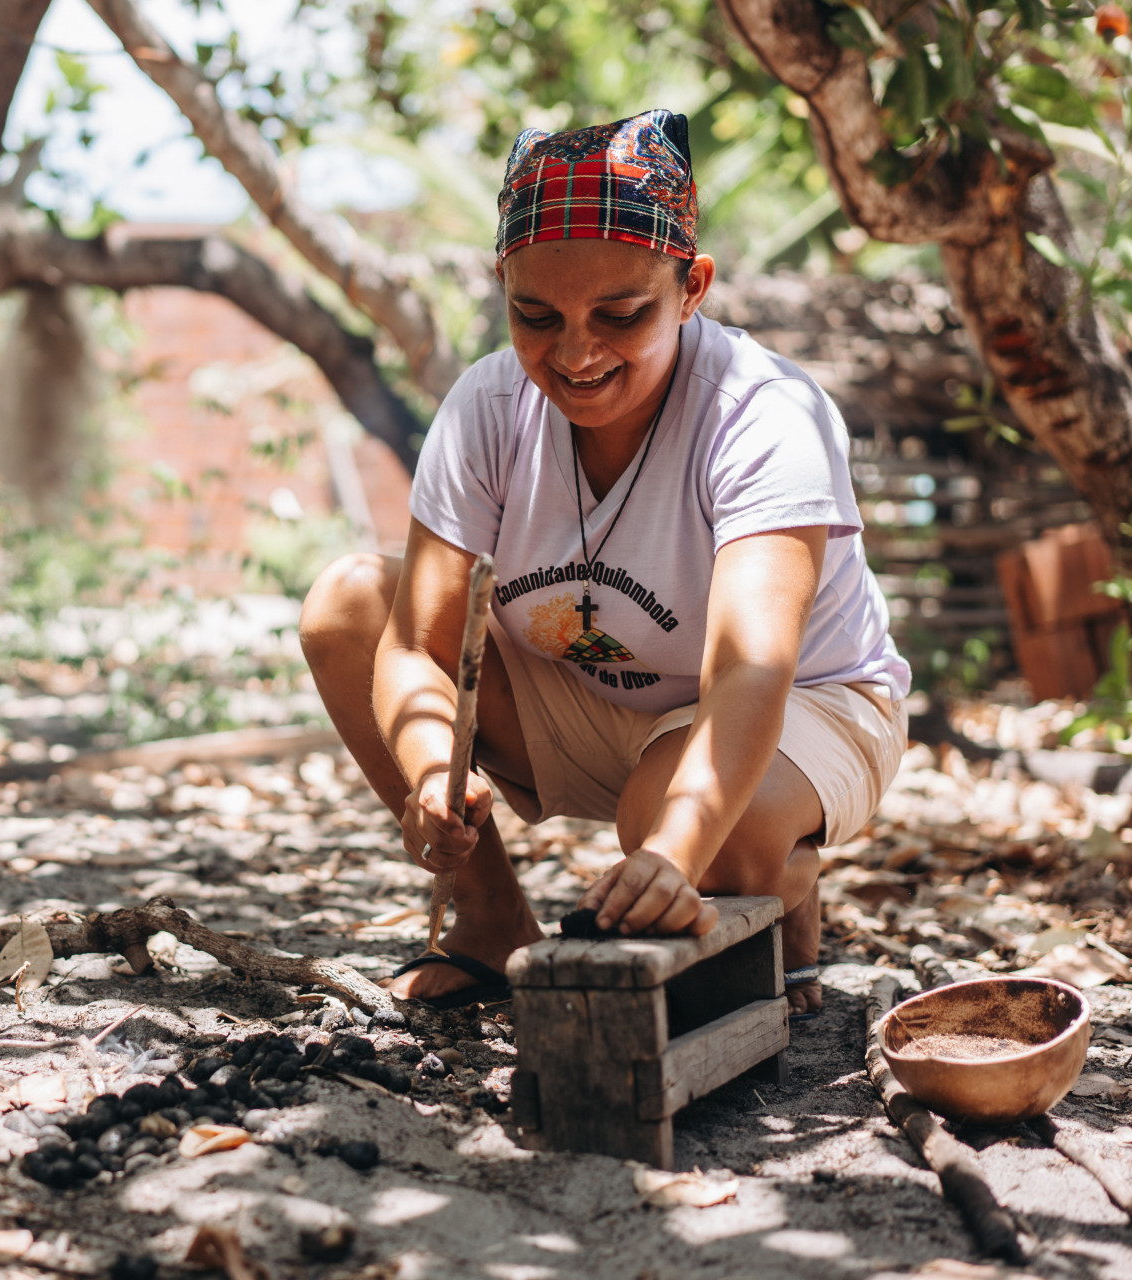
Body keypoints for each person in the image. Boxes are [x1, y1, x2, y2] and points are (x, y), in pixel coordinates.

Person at [299, 109, 909, 1017]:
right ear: (502, 281)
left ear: (692, 286)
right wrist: (433, 768)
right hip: (590, 701)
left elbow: (749, 670)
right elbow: (413, 646)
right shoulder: (487, 408)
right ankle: (490, 922)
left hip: (795, 708)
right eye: (536, 316)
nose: (576, 354)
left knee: (706, 835)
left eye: (621, 316)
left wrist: (670, 852)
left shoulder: (763, 412)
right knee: (346, 603)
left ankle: (775, 868)